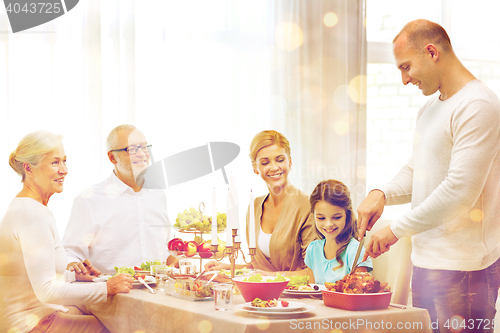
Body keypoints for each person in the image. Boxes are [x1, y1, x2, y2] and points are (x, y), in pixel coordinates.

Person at [357, 19, 500, 333]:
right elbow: (416, 170)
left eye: (406, 67)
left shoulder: (478, 105)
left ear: (432, 52)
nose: (405, 80)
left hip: (465, 269)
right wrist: (381, 192)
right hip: (426, 263)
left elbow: (460, 192)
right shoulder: (430, 108)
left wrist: (394, 229)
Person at [0, 130, 133, 333]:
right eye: (55, 163)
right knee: (118, 328)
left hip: (38, 316)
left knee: (111, 321)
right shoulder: (31, 214)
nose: (64, 170)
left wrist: (75, 277)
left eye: (64, 161)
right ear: (29, 168)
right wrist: (106, 288)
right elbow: (47, 291)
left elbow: (34, 278)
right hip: (29, 325)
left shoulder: (29, 208)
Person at [62, 124, 177, 275]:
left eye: (144, 147)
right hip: (113, 295)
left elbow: (163, 248)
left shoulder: (157, 193)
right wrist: (77, 268)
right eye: (132, 149)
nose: (142, 154)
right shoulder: (88, 200)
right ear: (112, 157)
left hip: (157, 294)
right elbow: (70, 253)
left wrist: (175, 259)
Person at [205, 130, 317, 273]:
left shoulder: (307, 206)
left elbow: (313, 272)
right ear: (255, 168)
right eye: (265, 162)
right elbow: (260, 268)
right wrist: (228, 267)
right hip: (262, 293)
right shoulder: (255, 207)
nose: (274, 167)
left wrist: (268, 278)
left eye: (280, 160)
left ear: (290, 162)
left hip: (297, 293)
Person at [304, 180, 372, 284]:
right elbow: (313, 293)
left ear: (347, 215)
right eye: (321, 218)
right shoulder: (313, 250)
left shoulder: (355, 251)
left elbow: (360, 293)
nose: (328, 224)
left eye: (336, 217)